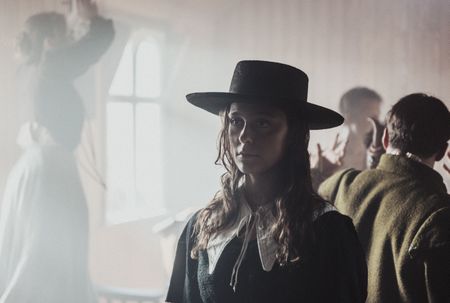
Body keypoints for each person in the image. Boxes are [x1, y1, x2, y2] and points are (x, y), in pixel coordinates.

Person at [166, 60, 367, 303]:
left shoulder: (328, 233)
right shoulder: (202, 226)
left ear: (294, 134)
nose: (245, 136)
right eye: (236, 121)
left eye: (263, 123)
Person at [0, 1, 114, 301]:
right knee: (47, 262)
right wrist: (91, 18)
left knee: (39, 258)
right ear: (51, 40)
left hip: (32, 171)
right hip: (49, 176)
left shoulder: (30, 71)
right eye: (65, 35)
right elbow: (95, 44)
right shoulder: (50, 67)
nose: (69, 41)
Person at [319, 93, 450, 303]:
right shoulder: (441, 213)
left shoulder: (341, 184)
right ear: (443, 151)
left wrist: (319, 172)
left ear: (386, 138)